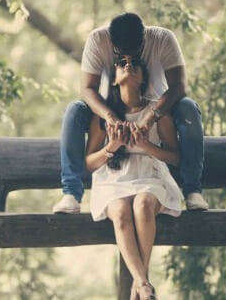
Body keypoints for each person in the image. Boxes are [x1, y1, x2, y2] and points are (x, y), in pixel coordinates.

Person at [53, 12, 208, 214]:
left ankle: (192, 190)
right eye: (121, 56)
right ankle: (71, 194)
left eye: (135, 55)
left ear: (144, 37)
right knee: (75, 109)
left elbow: (178, 86)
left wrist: (152, 116)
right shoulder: (98, 40)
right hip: (112, 109)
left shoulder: (163, 38)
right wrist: (110, 117)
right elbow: (87, 89)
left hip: (160, 110)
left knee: (188, 107)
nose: (129, 60)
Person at [85, 55, 181, 300]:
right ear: (115, 80)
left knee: (143, 204)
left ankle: (139, 284)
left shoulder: (157, 114)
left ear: (142, 79)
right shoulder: (104, 116)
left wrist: (147, 147)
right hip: (113, 179)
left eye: (134, 64)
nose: (127, 65)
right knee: (119, 211)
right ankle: (142, 283)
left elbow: (175, 158)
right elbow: (88, 164)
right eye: (120, 63)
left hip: (150, 176)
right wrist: (113, 146)